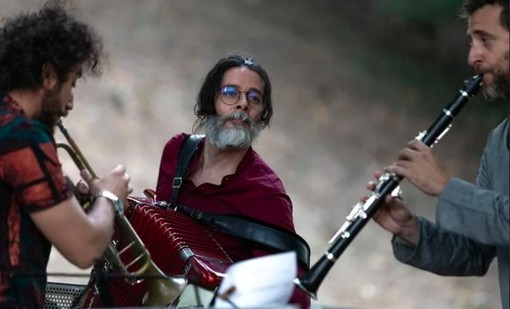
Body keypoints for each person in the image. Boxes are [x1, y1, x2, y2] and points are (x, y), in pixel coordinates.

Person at [369, 0, 509, 308]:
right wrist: (411, 230)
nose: (473, 56)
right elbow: (477, 251)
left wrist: (446, 188)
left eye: (486, 40)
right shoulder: (500, 142)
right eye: (472, 42)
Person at [0, 3, 132, 308]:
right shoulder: (24, 136)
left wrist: (70, 198)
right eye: (70, 85)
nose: (69, 103)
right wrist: (109, 199)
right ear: (47, 75)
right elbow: (84, 249)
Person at [155, 54, 311, 308]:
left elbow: (292, 291)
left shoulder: (266, 194)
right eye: (230, 93)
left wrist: (223, 297)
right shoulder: (177, 151)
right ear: (211, 100)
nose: (242, 105)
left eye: (254, 98)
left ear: (262, 115)